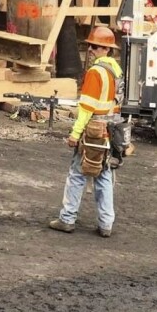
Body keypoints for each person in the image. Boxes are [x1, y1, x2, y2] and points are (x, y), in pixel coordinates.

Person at [49, 26, 124, 239]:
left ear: (104, 49)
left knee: (77, 174)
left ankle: (67, 219)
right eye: (90, 46)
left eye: (94, 47)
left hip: (93, 132)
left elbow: (86, 108)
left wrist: (75, 134)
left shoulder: (95, 73)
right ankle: (106, 224)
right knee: (103, 175)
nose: (90, 50)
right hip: (111, 131)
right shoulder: (116, 71)